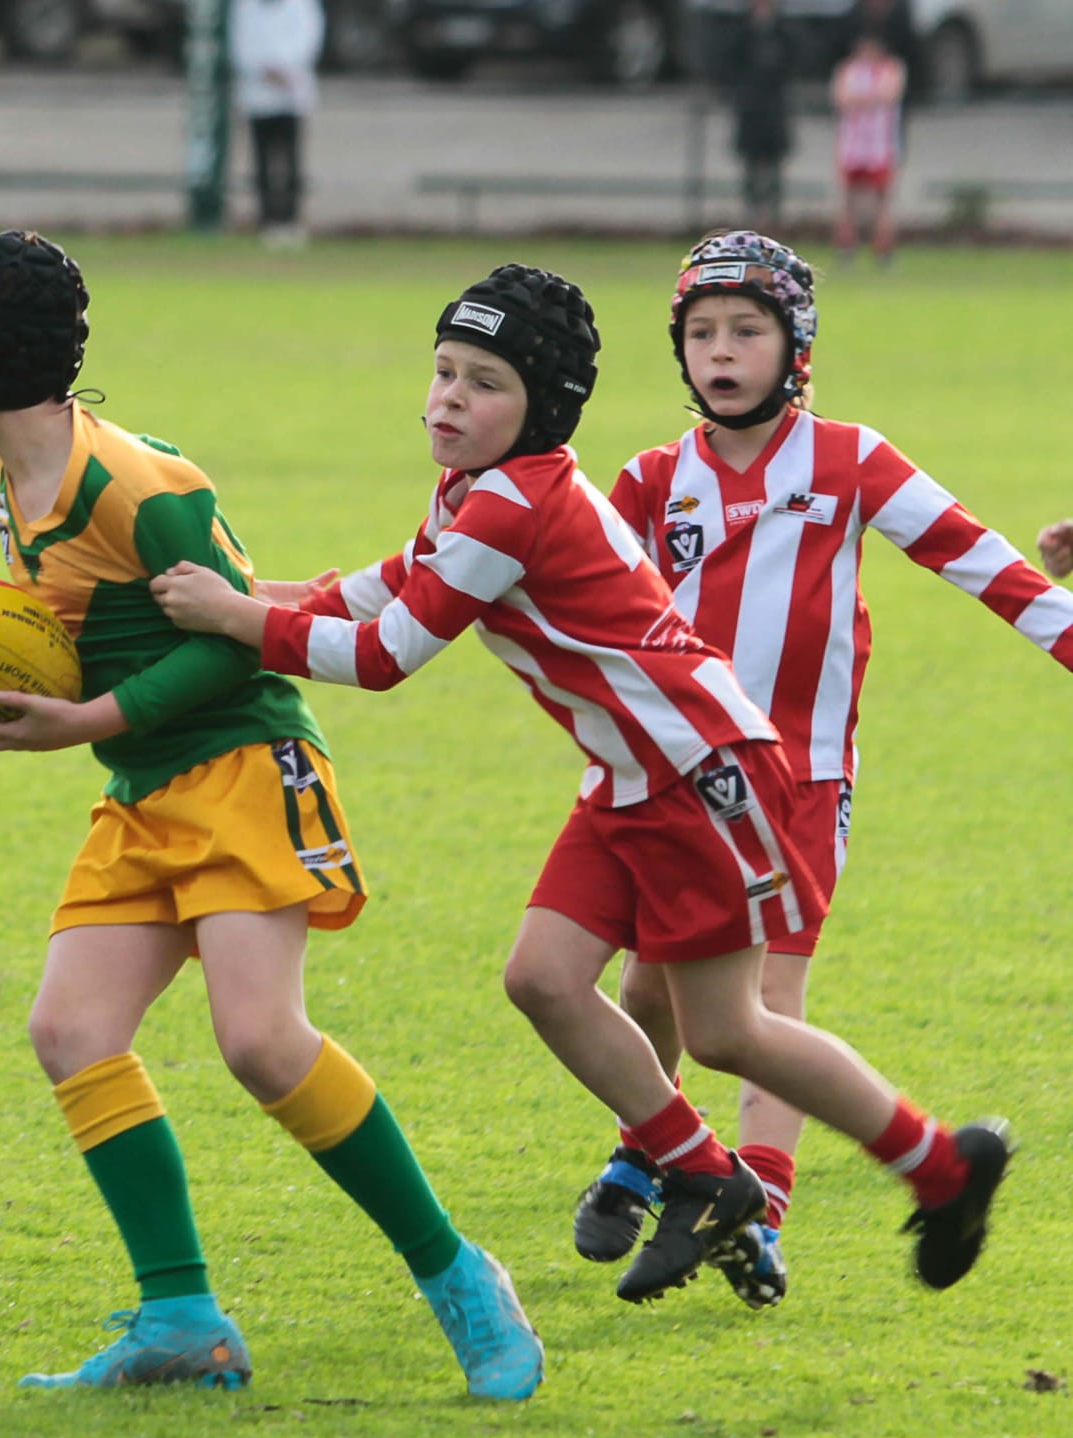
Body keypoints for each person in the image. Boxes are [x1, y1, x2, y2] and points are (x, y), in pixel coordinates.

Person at [150, 261, 1013, 1307]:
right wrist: (240, 593)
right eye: (441, 372)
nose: (447, 400)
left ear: (540, 408)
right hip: (625, 775)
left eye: (481, 383)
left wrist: (235, 618)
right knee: (541, 979)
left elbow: (384, 650)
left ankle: (938, 1165)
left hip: (699, 773)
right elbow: (378, 585)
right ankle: (697, 1169)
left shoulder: (516, 503)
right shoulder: (475, 492)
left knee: (727, 1029)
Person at [0, 230, 542, 1398]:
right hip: (144, 788)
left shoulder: (144, 490)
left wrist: (90, 713)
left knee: (259, 1040)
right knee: (71, 1031)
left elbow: (233, 647)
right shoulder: (3, 477)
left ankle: (458, 1275)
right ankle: (181, 1320)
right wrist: (75, 709)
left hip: (247, 762)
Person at [566, 230, 1067, 1307]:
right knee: (643, 981)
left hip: (796, 785)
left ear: (793, 346)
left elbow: (974, 559)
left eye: (745, 329)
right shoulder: (652, 480)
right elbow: (564, 587)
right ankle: (643, 1152)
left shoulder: (845, 459)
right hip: (669, 775)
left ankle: (761, 1214)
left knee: (758, 1007)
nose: (720, 350)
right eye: (700, 332)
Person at [228, 0, 324, 249]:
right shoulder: (245, 6)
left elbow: (309, 37)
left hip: (292, 93)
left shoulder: (302, 5)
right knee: (261, 162)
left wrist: (286, 68)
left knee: (291, 161)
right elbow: (240, 45)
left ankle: (290, 220)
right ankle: (267, 221)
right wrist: (264, 70)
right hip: (257, 95)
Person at [832, 25, 906, 265]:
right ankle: (846, 248)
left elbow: (888, 95)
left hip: (880, 147)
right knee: (848, 200)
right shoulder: (849, 70)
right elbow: (842, 98)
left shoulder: (890, 69)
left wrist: (862, 99)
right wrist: (868, 99)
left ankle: (883, 249)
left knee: (882, 200)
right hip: (853, 146)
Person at [730, 0, 795, 232]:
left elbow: (794, 63)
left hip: (774, 110)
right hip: (750, 109)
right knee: (750, 168)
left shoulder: (783, 34)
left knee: (775, 168)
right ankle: (751, 217)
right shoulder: (742, 35)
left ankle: (774, 218)